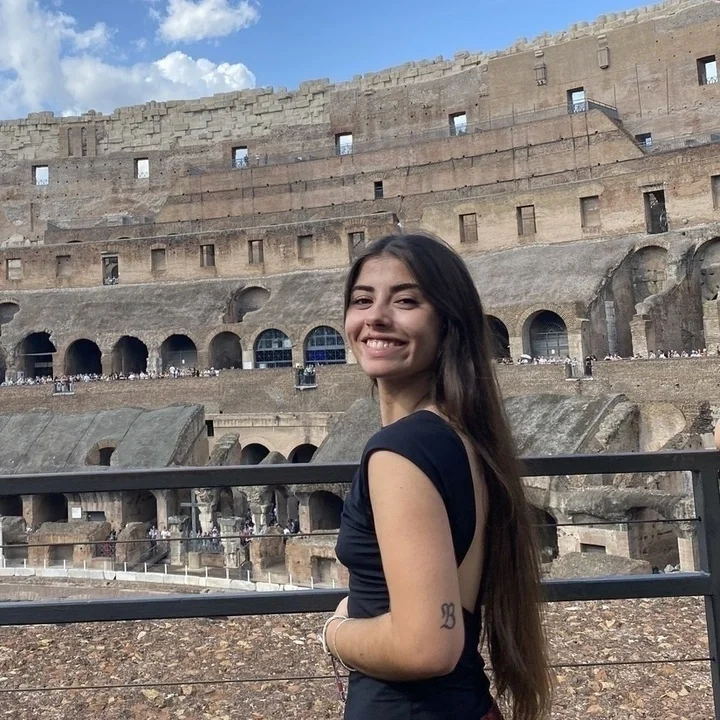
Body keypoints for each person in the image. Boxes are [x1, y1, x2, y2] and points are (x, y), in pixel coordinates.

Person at [324, 234, 552, 720]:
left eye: (406, 301)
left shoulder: (401, 452)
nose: (376, 316)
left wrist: (336, 633)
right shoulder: (462, 436)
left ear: (448, 324)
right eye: (362, 300)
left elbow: (426, 647)